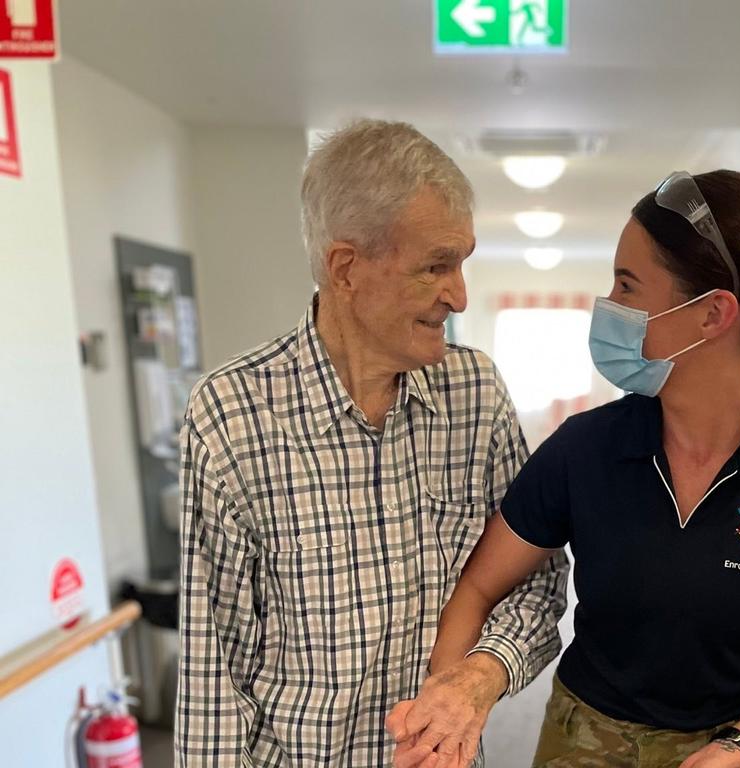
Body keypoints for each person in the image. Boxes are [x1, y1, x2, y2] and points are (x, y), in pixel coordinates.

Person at [389, 170, 740, 768]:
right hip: (582, 741)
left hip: (731, 746)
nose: (609, 306)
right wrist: (450, 699)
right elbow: (479, 587)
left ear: (712, 314)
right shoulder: (586, 448)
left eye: (626, 284)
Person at [175, 119, 569, 767]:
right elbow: (212, 679)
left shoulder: (475, 394)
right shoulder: (232, 417)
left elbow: (538, 580)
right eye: (435, 267)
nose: (459, 294)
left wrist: (480, 677)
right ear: (346, 268)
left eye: (462, 263)